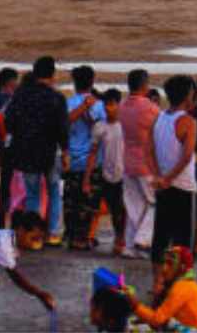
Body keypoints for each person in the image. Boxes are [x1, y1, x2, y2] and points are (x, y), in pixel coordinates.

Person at [4, 56, 69, 246]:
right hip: (50, 152)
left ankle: (34, 237)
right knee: (54, 192)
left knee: (32, 194)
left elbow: (9, 122)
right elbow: (62, 128)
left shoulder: (20, 95)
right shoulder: (57, 98)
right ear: (52, 75)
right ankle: (54, 234)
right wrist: (65, 152)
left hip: (26, 152)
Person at [150, 76, 197, 282]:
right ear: (188, 96)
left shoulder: (160, 118)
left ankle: (157, 281)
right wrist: (169, 178)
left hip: (163, 184)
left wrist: (160, 177)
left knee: (160, 235)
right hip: (182, 185)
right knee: (183, 240)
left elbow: (151, 150)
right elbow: (187, 156)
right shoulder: (188, 121)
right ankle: (181, 281)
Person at [124, 246, 197, 331]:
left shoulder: (182, 287)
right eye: (164, 263)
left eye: (170, 264)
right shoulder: (186, 284)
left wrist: (135, 304)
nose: (164, 268)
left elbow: (157, 320)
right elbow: (160, 316)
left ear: (182, 268)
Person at [119, 69, 159, 258]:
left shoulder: (122, 106)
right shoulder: (150, 108)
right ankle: (142, 240)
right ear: (145, 85)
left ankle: (131, 246)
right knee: (155, 203)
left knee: (134, 206)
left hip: (128, 161)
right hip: (146, 163)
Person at [64, 66, 104, 250]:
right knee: (88, 203)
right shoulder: (99, 105)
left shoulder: (69, 102)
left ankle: (73, 236)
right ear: (92, 81)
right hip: (93, 161)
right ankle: (84, 237)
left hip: (73, 160)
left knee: (72, 202)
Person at [83, 89, 127, 257]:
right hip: (107, 174)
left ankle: (121, 240)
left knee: (122, 210)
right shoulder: (99, 127)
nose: (109, 108)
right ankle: (117, 237)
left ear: (119, 105)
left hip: (125, 174)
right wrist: (86, 179)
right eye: (106, 105)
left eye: (112, 104)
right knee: (113, 208)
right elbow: (92, 153)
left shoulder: (125, 125)